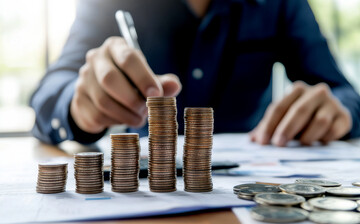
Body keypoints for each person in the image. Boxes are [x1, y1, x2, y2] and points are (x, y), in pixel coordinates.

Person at [30, 0, 360, 147]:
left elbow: (342, 92)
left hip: (251, 186)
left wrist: (338, 111)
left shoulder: (282, 3)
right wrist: (77, 106)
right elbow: (51, 90)